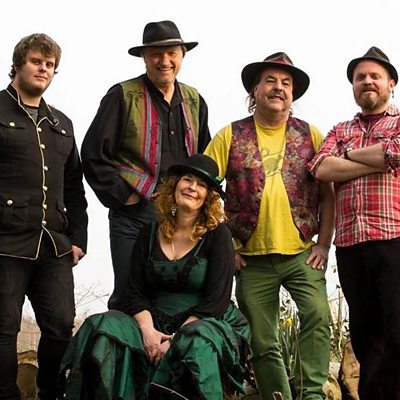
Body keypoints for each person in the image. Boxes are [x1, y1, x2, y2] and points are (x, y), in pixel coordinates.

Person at [60, 154, 250, 400]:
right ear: (175, 185)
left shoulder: (218, 235)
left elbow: (216, 299)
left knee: (196, 342)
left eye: (201, 185)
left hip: (201, 322)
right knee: (102, 326)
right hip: (150, 321)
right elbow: (134, 291)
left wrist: (176, 340)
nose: (192, 188)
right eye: (187, 180)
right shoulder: (149, 232)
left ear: (208, 197)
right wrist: (148, 332)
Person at [204, 52, 335, 400]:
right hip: (250, 258)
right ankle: (278, 396)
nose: (279, 88)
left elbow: (327, 194)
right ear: (255, 89)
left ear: (293, 94)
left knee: (318, 316)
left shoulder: (311, 135)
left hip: (302, 253)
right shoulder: (230, 135)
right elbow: (205, 191)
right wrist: (227, 248)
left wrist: (324, 244)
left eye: (286, 83)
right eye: (271, 81)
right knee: (262, 340)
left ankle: (311, 394)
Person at [81, 20, 211, 311]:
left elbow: (203, 158)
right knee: (130, 295)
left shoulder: (195, 100)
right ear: (144, 57)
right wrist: (124, 196)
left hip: (182, 216)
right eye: (155, 54)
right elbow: (93, 153)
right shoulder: (122, 95)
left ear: (182, 55)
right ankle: (118, 340)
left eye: (172, 53)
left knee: (173, 298)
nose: (164, 61)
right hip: (134, 215)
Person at [308, 46, 400, 400]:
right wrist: (375, 160)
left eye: (375, 76)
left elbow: (396, 152)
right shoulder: (340, 129)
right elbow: (321, 168)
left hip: (393, 239)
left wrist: (346, 157)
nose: (367, 82)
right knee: (365, 336)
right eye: (360, 77)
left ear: (391, 83)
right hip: (350, 246)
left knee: (397, 331)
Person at [0, 34, 88, 400]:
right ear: (18, 65)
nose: (43, 69)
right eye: (36, 61)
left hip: (53, 244)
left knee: (60, 326)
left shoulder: (61, 123)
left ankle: (50, 393)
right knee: (3, 329)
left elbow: (74, 187)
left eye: (50, 65)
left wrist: (79, 239)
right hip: (5, 242)